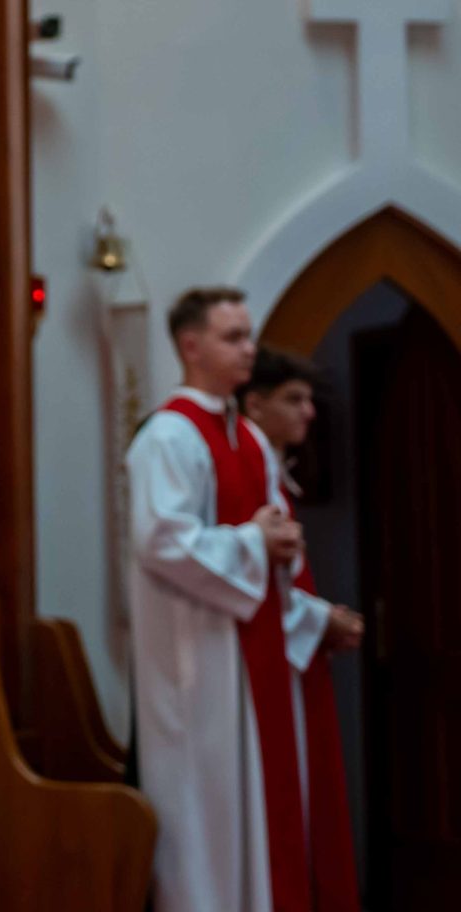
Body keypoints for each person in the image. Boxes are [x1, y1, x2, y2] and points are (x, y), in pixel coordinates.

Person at [127, 289, 362, 912]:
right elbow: (160, 541)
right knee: (206, 830)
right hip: (196, 672)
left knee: (256, 826)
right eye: (233, 337)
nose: (249, 349)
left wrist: (281, 548)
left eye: (249, 335)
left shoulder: (250, 440)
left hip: (250, 664)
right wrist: (255, 541)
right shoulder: (167, 437)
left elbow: (271, 535)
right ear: (191, 346)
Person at [239, 346, 362, 909]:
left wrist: (319, 617)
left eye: (309, 399)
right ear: (254, 405)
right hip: (269, 661)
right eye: (294, 399)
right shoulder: (247, 469)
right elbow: (253, 585)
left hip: (295, 655)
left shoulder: (273, 469)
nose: (308, 412)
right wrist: (321, 619)